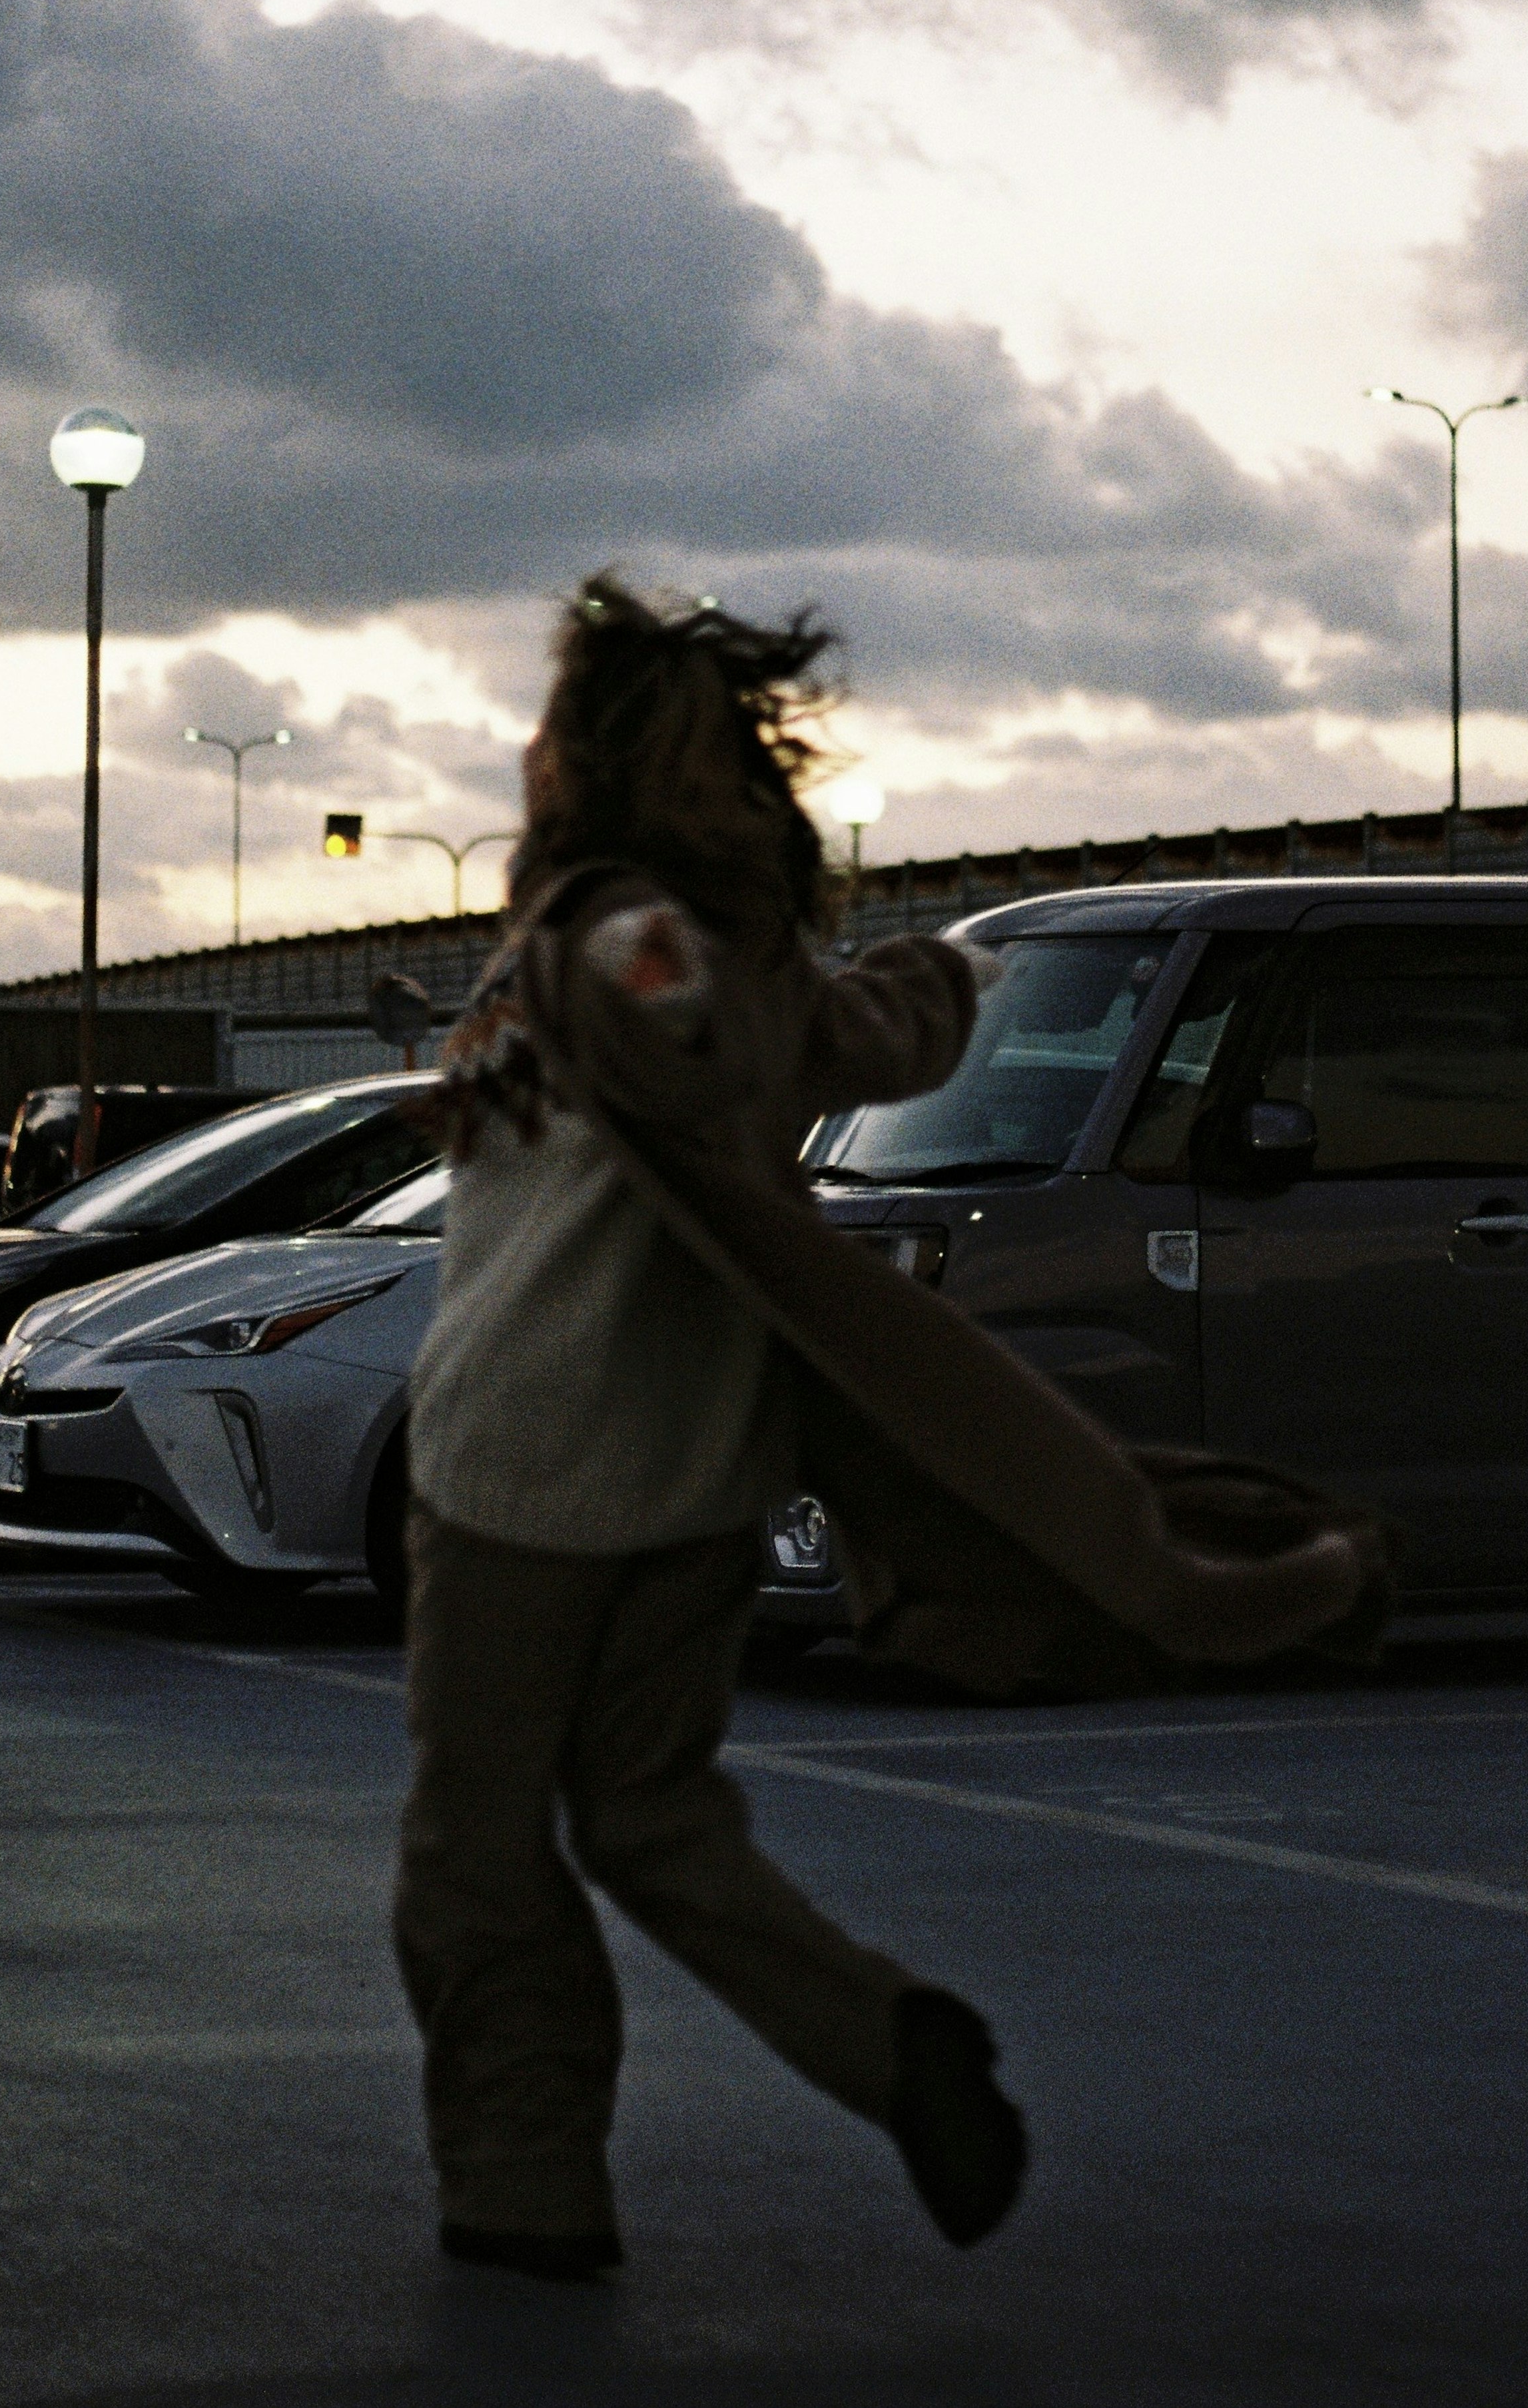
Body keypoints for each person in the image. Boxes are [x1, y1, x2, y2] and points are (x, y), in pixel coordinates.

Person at [393, 574, 1024, 2283]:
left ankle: (523, 2185)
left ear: (585, 764)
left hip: (519, 1473)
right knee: (656, 1820)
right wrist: (947, 966)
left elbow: (658, 998)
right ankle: (889, 2044)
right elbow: (883, 1026)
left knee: (474, 1847)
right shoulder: (753, 971)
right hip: (695, 1483)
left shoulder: (611, 940)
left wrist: (671, 991)